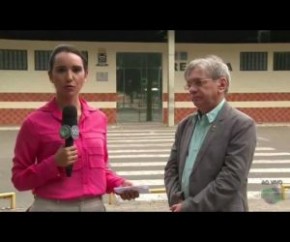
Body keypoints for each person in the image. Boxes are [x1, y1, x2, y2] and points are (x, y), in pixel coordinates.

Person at [11, 44, 139, 211]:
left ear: (86, 75)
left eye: (77, 70)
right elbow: (19, 179)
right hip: (51, 206)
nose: (69, 77)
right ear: (51, 76)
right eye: (61, 70)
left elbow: (101, 170)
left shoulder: (98, 119)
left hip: (94, 206)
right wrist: (54, 163)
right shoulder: (34, 123)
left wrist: (120, 184)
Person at [164, 55, 257, 212]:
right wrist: (177, 199)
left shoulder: (241, 125)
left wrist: (191, 206)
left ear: (221, 84)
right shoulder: (185, 125)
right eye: (189, 85)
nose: (192, 89)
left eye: (199, 83)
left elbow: (231, 178)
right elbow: (171, 169)